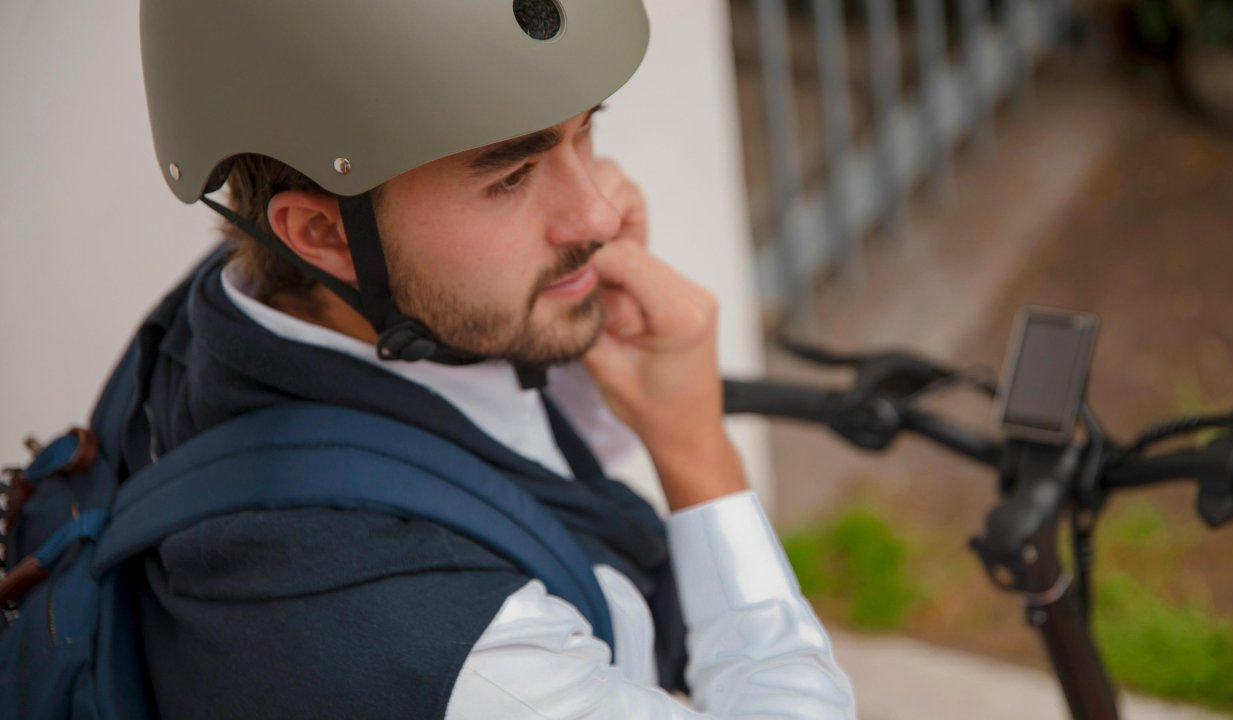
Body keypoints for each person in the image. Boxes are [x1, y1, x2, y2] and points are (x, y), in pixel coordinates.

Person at [133, 0, 857, 717]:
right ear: (323, 235)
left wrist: (584, 334)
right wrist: (698, 455)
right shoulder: (445, 642)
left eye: (585, 132)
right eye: (510, 178)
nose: (600, 217)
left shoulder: (240, 320)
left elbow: (505, 462)